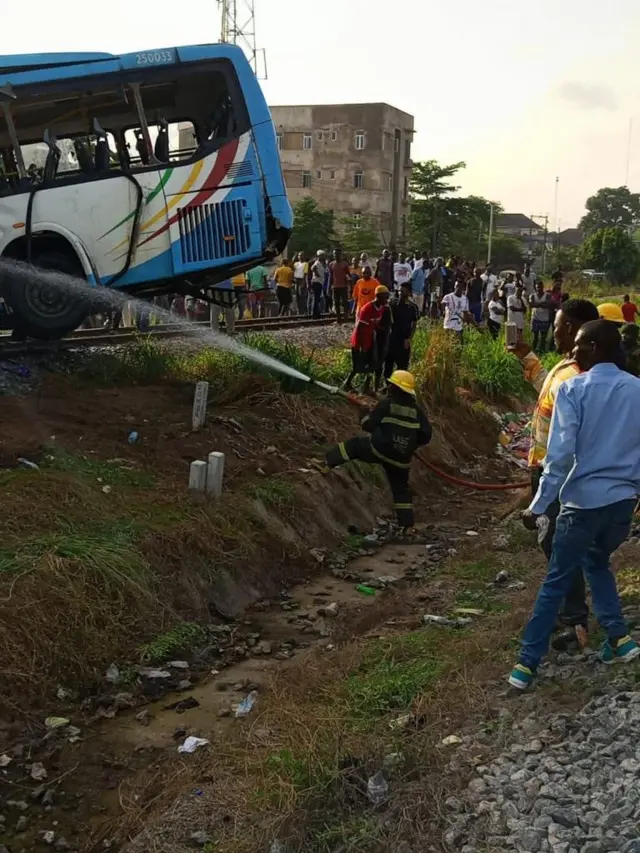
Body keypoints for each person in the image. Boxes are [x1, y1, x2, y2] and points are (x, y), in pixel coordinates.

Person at [509, 319, 640, 690]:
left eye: (580, 345)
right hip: (620, 505)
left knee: (556, 581)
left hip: (582, 504)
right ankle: (620, 638)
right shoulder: (637, 390)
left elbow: (560, 457)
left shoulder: (574, 390)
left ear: (596, 348)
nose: (573, 352)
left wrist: (537, 506)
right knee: (596, 561)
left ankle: (526, 664)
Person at [510, 298, 600, 651]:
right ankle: (570, 614)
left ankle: (575, 619)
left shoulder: (580, 377)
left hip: (558, 471)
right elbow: (545, 392)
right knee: (555, 543)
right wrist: (527, 359)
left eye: (561, 325)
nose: (555, 330)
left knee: (559, 544)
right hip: (545, 467)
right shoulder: (566, 368)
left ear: (578, 329)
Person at [326, 370, 432, 529]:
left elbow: (368, 425)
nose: (388, 387)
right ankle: (407, 527)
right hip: (401, 459)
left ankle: (326, 462)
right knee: (401, 491)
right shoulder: (417, 412)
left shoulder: (386, 404)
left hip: (379, 449)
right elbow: (426, 435)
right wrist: (410, 443)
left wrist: (363, 414)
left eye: (391, 385)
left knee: (353, 446)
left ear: (395, 388)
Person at [343, 285, 390, 394]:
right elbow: (360, 328)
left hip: (369, 341)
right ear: (378, 296)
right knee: (357, 365)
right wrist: (362, 346)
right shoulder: (367, 308)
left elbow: (374, 324)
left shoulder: (381, 308)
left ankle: (365, 388)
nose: (386, 300)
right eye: (385, 297)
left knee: (370, 364)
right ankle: (347, 383)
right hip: (360, 341)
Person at [385, 281, 419, 379]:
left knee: (402, 366)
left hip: (404, 340)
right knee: (388, 365)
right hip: (392, 339)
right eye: (399, 291)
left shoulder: (412, 307)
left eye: (403, 291)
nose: (400, 293)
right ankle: (387, 386)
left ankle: (398, 388)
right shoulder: (392, 304)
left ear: (409, 293)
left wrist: (409, 339)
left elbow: (414, 325)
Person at [329, 249, 351, 323]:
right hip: (335, 286)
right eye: (335, 254)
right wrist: (329, 286)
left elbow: (348, 275)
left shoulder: (344, 264)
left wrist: (349, 285)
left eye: (337, 254)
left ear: (340, 254)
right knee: (336, 303)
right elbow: (330, 276)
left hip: (343, 286)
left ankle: (345, 318)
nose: (336, 255)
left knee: (345, 302)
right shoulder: (331, 264)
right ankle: (338, 319)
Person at [529, 281, 552, 352]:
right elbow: (531, 305)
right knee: (535, 337)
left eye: (540, 287)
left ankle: (542, 351)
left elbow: (548, 305)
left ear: (543, 287)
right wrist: (542, 303)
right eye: (537, 287)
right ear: (535, 288)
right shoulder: (532, 295)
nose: (539, 289)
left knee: (543, 337)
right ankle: (533, 351)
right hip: (535, 318)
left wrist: (536, 304)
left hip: (545, 319)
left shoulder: (547, 295)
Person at [310, 251, 328, 319]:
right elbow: (312, 268)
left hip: (320, 282)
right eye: (321, 255)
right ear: (318, 256)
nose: (322, 257)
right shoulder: (317, 263)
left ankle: (317, 313)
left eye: (323, 255)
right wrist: (318, 275)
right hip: (316, 282)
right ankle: (314, 314)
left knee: (317, 299)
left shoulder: (322, 263)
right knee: (316, 298)